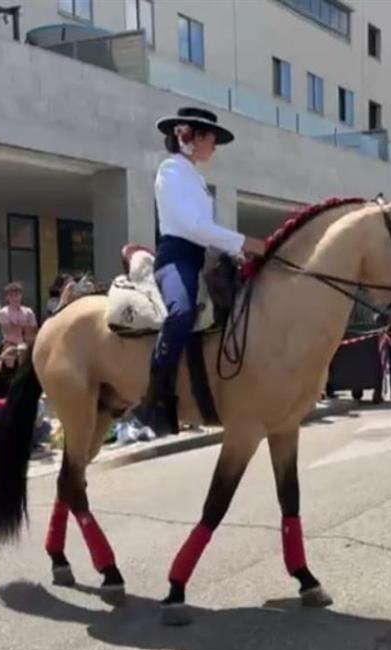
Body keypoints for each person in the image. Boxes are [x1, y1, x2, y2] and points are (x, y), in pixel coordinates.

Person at [139, 106, 267, 436]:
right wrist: (246, 242)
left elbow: (206, 230)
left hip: (201, 258)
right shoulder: (170, 171)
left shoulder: (194, 177)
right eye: (211, 139)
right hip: (176, 258)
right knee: (181, 312)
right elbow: (192, 226)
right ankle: (155, 397)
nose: (215, 146)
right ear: (189, 137)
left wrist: (237, 252)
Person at [0, 343, 51, 450]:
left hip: (18, 406)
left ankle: (24, 442)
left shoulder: (19, 368)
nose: (11, 355)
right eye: (7, 352)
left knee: (45, 427)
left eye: (13, 352)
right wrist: (1, 359)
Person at [0, 282, 38, 346]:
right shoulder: (3, 312)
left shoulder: (28, 311)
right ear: (7, 297)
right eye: (11, 295)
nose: (14, 298)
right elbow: (10, 331)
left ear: (21, 296)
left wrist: (21, 327)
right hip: (10, 345)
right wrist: (25, 326)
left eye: (16, 294)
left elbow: (33, 330)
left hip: (27, 344)